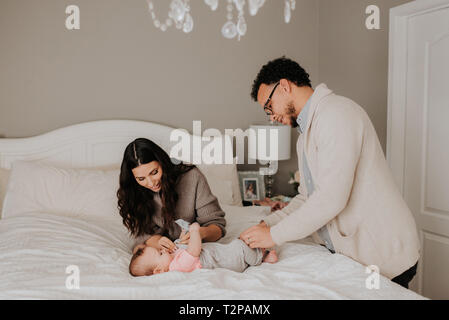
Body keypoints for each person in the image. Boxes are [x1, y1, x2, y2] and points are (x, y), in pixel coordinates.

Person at [239, 57, 420, 288]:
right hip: (357, 257)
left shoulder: (337, 114)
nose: (271, 116)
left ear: (284, 86)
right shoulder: (305, 137)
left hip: (385, 252)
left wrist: (273, 236)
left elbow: (331, 199)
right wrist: (268, 223)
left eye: (269, 106)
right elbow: (306, 198)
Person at [117, 138, 226, 253]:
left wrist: (199, 233)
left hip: (197, 245)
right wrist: (158, 241)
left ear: (162, 163)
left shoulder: (191, 176)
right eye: (141, 179)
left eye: (154, 172)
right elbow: (141, 237)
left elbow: (217, 227)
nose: (151, 183)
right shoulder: (133, 192)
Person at [129, 222, 278, 276]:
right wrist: (194, 231)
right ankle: (262, 257)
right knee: (240, 247)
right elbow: (194, 250)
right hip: (228, 261)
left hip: (221, 253)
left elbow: (182, 245)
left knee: (238, 242)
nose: (163, 250)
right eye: (159, 253)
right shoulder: (177, 267)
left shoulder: (171, 257)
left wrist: (182, 236)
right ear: (159, 270)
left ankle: (258, 250)